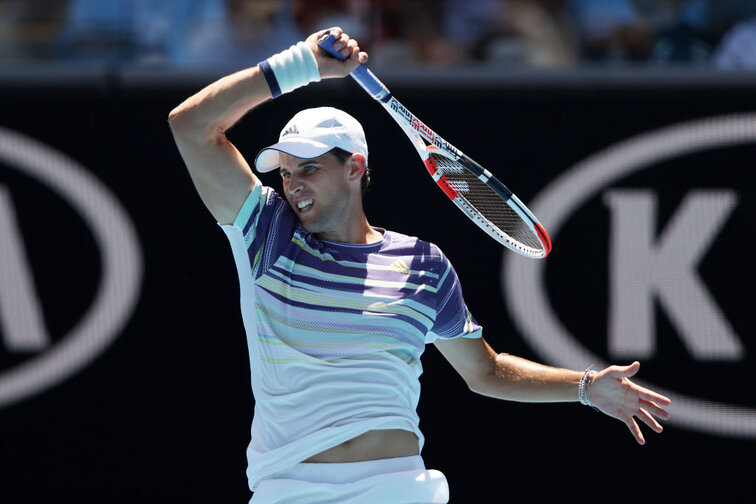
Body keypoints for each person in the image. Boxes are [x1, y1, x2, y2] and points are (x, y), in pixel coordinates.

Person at [168, 27, 671, 504]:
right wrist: (302, 64)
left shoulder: (422, 265)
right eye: (285, 172)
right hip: (290, 490)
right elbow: (189, 125)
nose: (293, 184)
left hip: (397, 489)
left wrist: (584, 388)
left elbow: (486, 371)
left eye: (310, 168)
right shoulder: (266, 232)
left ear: (355, 167)